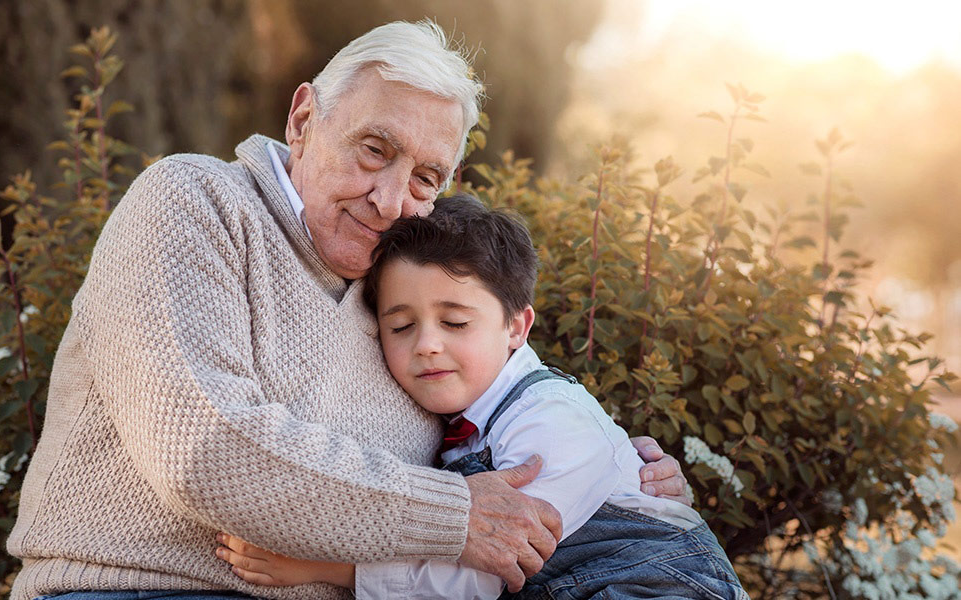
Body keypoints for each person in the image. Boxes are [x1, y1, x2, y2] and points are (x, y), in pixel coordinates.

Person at [6, 20, 690, 600]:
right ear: (303, 119)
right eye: (374, 149)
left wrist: (623, 481)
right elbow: (205, 450)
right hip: (141, 588)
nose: (392, 200)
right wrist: (455, 516)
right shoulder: (195, 202)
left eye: (425, 177)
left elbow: (510, 398)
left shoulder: (399, 288)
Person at [214, 196, 747, 600]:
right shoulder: (462, 424)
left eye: (455, 321)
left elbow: (489, 564)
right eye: (399, 327)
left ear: (517, 326)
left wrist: (326, 568)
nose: (427, 344)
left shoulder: (549, 421)